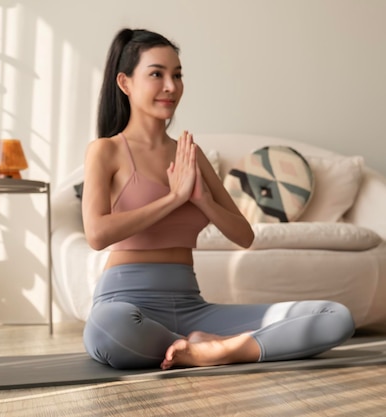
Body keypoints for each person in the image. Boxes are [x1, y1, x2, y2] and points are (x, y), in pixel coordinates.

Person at [81, 28, 355, 370]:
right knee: (109, 332)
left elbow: (245, 236)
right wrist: (173, 198)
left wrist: (203, 201)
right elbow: (97, 234)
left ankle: (216, 351)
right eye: (157, 74)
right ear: (125, 83)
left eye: (177, 75)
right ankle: (210, 347)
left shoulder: (190, 155)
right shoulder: (106, 151)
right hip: (126, 304)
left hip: (192, 306)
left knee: (334, 316)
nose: (171, 86)